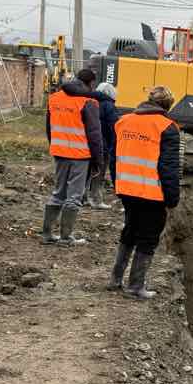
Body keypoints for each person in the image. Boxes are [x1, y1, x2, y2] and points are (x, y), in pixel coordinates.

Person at [109, 85, 181, 298]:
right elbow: (168, 167)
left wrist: (117, 184)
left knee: (130, 231)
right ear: (167, 105)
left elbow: (114, 158)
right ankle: (135, 286)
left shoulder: (124, 121)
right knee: (148, 237)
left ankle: (115, 279)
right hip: (151, 193)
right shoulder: (167, 127)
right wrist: (172, 198)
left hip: (126, 188)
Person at [42, 67, 104, 245]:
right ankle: (65, 237)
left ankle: (47, 234)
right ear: (91, 83)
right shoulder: (88, 102)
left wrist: (55, 146)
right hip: (80, 156)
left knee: (58, 193)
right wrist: (98, 161)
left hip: (60, 153)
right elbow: (95, 135)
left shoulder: (54, 98)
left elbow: (49, 127)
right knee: (74, 196)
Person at [85, 81, 121, 210]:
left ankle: (83, 198)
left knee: (87, 172)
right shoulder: (109, 106)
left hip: (87, 143)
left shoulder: (89, 101)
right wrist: (112, 144)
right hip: (102, 145)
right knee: (99, 173)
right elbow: (114, 127)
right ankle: (96, 199)